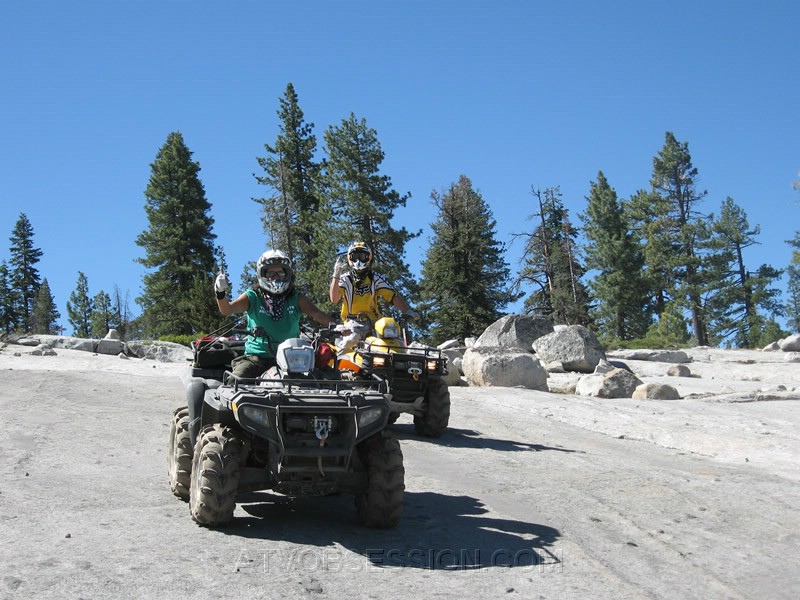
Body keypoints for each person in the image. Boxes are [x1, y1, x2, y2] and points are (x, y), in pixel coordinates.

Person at [214, 249, 335, 379]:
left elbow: (317, 313)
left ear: (288, 274)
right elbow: (227, 309)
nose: (276, 277)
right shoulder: (253, 297)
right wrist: (220, 292)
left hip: (292, 359)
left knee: (323, 380)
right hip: (256, 358)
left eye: (281, 272)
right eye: (271, 273)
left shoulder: (296, 298)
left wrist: (337, 326)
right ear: (262, 274)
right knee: (236, 379)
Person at [329, 241, 419, 333]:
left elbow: (392, 296)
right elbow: (334, 299)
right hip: (352, 322)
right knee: (350, 342)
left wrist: (407, 310)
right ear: (349, 258)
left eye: (362, 257)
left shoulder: (375, 278)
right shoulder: (345, 278)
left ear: (369, 257)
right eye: (355, 257)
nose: (358, 261)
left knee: (393, 341)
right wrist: (336, 275)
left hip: (374, 322)